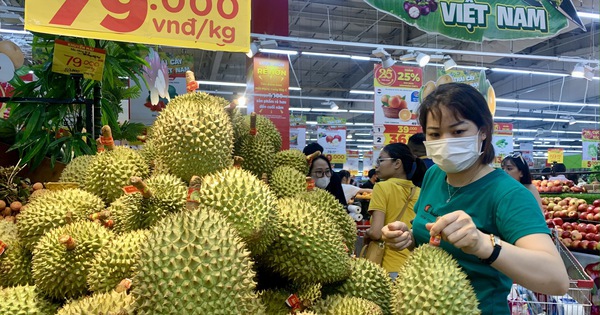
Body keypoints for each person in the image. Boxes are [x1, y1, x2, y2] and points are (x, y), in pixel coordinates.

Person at [381, 83, 568, 314]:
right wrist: (407, 238)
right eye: (435, 134)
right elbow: (428, 242)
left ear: (483, 132)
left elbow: (557, 280)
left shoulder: (508, 194)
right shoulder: (433, 175)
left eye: (458, 131)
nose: (446, 141)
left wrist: (483, 244)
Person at [366, 143, 426, 280]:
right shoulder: (420, 191)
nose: (377, 165)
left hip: (388, 266)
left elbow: (376, 232)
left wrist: (367, 233)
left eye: (381, 160)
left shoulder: (381, 187)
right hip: (414, 268)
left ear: (397, 163)